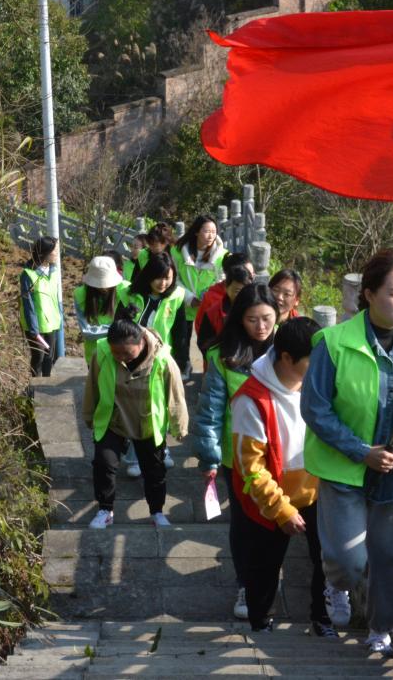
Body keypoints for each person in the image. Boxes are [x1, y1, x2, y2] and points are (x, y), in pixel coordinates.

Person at [301, 249, 393, 654]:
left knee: (388, 558)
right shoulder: (332, 342)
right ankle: (338, 587)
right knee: (348, 560)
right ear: (368, 294)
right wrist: (360, 450)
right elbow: (314, 408)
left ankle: (383, 627)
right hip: (344, 465)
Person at [230, 318, 335, 636]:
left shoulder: (319, 384)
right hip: (271, 500)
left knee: (326, 560)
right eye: (312, 362)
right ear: (286, 358)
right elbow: (251, 469)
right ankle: (260, 623)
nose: (321, 369)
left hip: (317, 491)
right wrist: (281, 509)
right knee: (264, 565)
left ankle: (323, 618)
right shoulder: (251, 400)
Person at [194, 283, 279, 620]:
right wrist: (209, 457)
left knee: (275, 520)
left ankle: (266, 584)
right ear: (239, 320)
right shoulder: (223, 356)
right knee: (244, 523)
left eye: (267, 319)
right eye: (252, 320)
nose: (261, 327)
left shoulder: (287, 352)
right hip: (238, 456)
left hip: (282, 453)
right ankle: (247, 583)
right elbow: (210, 411)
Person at [82, 308, 189, 529]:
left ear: (141, 343)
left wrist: (179, 425)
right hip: (113, 419)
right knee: (104, 463)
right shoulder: (102, 352)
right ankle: (105, 509)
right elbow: (92, 386)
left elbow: (176, 395)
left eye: (127, 354)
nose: (121, 358)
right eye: (116, 354)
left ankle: (157, 511)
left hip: (147, 422)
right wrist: (89, 415)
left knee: (154, 470)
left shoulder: (162, 360)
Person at [120, 250, 186, 474]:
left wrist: (181, 359)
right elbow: (119, 328)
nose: (163, 282)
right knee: (137, 407)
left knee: (162, 405)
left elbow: (180, 331)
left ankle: (162, 448)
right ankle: (134, 458)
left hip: (162, 358)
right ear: (149, 275)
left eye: (168, 277)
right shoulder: (130, 294)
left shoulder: (176, 296)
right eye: (159, 277)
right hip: (134, 359)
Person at [172, 215, 226, 379]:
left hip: (210, 306)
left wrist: (209, 296)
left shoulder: (222, 255)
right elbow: (174, 278)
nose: (211, 235)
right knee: (182, 339)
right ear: (196, 232)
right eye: (206, 231)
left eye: (214, 232)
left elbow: (222, 280)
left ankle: (209, 374)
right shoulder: (178, 251)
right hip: (185, 303)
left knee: (207, 342)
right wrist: (189, 298)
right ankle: (183, 366)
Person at [19, 236, 63, 377]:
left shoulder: (54, 271)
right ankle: (35, 390)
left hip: (52, 323)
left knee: (49, 358)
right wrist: (34, 330)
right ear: (45, 253)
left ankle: (46, 386)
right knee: (38, 358)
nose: (57, 254)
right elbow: (28, 305)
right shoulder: (28, 275)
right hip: (36, 326)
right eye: (55, 251)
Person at [195, 254, 254, 357]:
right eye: (248, 273)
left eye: (252, 274)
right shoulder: (212, 301)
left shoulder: (256, 305)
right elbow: (201, 333)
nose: (252, 277)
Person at [74, 256, 127, 366]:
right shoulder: (80, 294)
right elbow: (87, 331)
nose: (104, 287)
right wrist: (118, 330)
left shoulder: (124, 290)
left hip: (121, 353)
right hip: (95, 354)